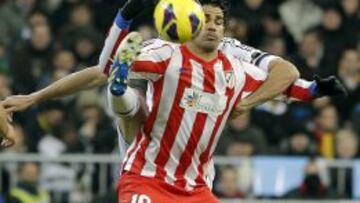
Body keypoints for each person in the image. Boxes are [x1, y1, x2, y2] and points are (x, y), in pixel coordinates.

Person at [112, 1, 345, 202]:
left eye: (219, 20)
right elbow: (114, 63)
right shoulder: (166, 54)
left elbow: (286, 85)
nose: (212, 25)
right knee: (126, 98)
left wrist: (315, 89)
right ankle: (121, 95)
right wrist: (123, 32)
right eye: (205, 19)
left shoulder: (235, 71)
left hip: (195, 188)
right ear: (191, 24)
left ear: (224, 30)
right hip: (147, 177)